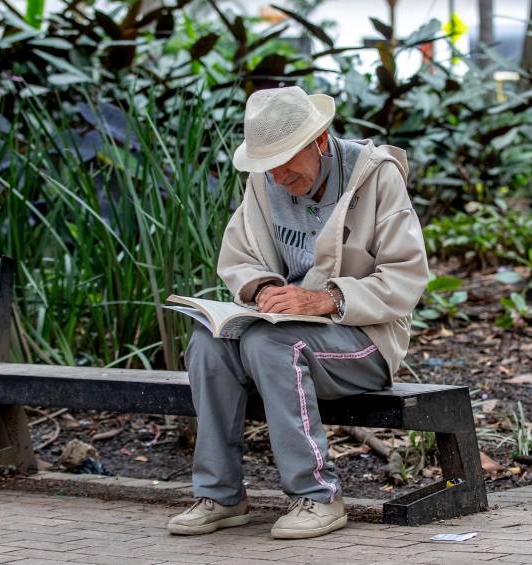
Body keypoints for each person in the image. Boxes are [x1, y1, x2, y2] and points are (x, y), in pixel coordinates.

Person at [168, 86, 429, 539]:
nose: (279, 175)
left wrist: (326, 299)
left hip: (364, 340)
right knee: (208, 344)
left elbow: (406, 278)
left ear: (321, 140)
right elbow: (240, 256)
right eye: (268, 164)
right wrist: (266, 287)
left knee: (272, 344)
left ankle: (318, 496)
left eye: (288, 160)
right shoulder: (265, 180)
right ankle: (221, 495)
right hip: (287, 330)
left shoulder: (376, 176)